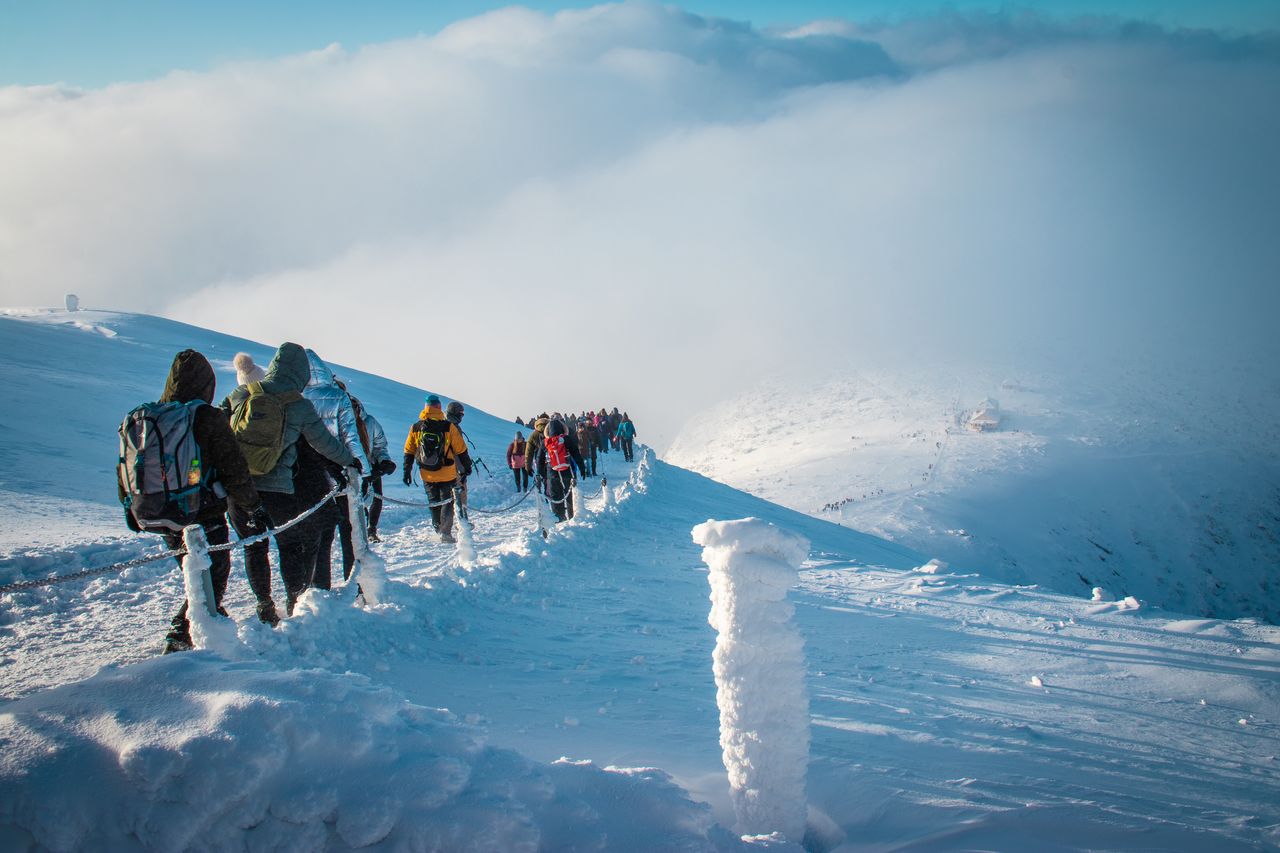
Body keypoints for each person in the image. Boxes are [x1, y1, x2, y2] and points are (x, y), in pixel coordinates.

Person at [124, 349, 271, 653]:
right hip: (203, 510)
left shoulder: (151, 417)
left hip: (163, 509)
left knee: (196, 574)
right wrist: (252, 505)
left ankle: (206, 619)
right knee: (214, 572)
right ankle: (186, 636)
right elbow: (233, 467)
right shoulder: (204, 415)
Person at [222, 342, 359, 617]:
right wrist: (350, 461)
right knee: (291, 546)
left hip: (240, 491)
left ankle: (264, 603)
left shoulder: (240, 394)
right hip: (279, 491)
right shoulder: (297, 404)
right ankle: (294, 602)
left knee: (254, 547)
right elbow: (323, 443)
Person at [303, 352, 372, 586]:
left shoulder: (295, 397)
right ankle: (355, 582)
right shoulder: (337, 396)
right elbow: (350, 437)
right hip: (343, 471)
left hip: (309, 474)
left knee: (319, 533)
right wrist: (364, 471)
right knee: (350, 529)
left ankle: (319, 585)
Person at [403, 394, 471, 543]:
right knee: (447, 500)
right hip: (447, 472)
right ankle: (445, 533)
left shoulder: (416, 426)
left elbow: (409, 449)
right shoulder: (448, 427)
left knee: (433, 500)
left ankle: (437, 527)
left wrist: (407, 469)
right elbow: (461, 449)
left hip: (426, 472)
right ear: (439, 408)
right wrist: (467, 467)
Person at [534, 417, 588, 522]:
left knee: (555, 497)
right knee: (569, 493)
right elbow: (576, 453)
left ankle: (559, 518)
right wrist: (582, 468)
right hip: (567, 471)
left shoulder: (546, 442)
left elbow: (539, 459)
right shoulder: (565, 439)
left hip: (552, 473)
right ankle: (572, 517)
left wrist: (540, 474)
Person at [356, 400, 396, 542]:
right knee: (354, 501)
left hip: (371, 467)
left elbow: (379, 446)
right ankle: (356, 532)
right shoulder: (341, 420)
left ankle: (371, 529)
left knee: (376, 498)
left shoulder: (370, 422)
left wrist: (384, 461)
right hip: (350, 469)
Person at [445, 401, 470, 511]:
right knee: (461, 494)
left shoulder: (441, 424)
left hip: (441, 468)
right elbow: (458, 451)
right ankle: (462, 520)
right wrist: (464, 468)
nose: (461, 416)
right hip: (455, 467)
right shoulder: (454, 428)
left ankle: (447, 522)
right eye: (460, 414)